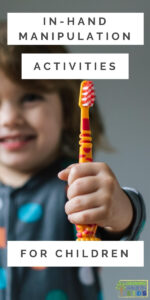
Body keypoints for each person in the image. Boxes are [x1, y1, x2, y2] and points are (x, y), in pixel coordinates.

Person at [0, 21, 145, 300]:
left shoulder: (75, 186)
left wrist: (117, 210)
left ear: (67, 109)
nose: (9, 119)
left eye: (30, 97)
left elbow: (120, 227)